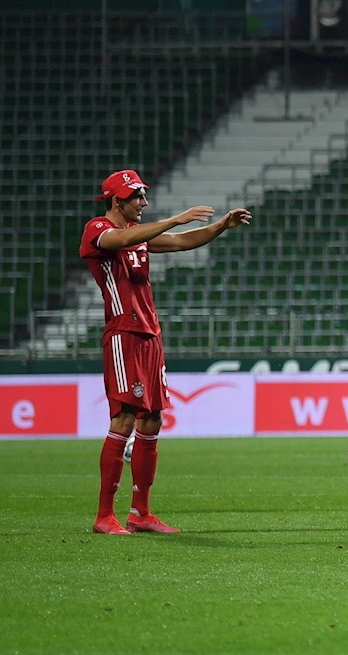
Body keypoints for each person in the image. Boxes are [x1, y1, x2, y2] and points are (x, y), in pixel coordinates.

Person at [81, 170, 250, 535]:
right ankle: (104, 516)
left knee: (152, 419)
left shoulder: (138, 235)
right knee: (124, 419)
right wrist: (175, 218)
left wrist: (220, 226)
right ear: (117, 201)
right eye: (137, 197)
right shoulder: (98, 230)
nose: (143, 203)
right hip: (123, 335)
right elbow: (122, 238)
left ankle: (140, 513)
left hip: (150, 336)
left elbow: (181, 242)